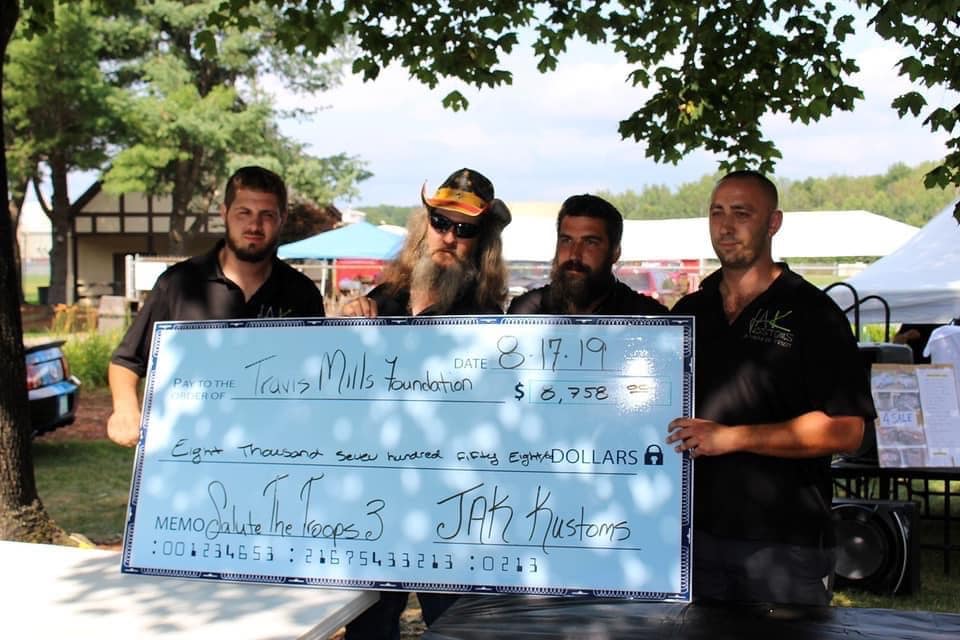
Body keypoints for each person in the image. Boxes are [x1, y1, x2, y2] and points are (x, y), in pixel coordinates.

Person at [666, 170, 876, 606]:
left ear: (773, 222)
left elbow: (847, 430)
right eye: (717, 212)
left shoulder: (813, 313)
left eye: (742, 213)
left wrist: (732, 438)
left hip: (784, 547)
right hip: (692, 540)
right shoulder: (690, 311)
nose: (726, 226)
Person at [339, 167, 510, 638]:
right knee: (367, 626)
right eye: (441, 222)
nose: (449, 237)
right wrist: (348, 324)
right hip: (373, 496)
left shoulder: (489, 321)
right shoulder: (381, 299)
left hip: (450, 500)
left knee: (456, 625)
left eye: (465, 229)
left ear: (481, 241)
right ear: (423, 225)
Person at [107, 166, 325, 447]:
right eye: (243, 213)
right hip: (188, 451)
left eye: (267, 215)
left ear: (282, 219)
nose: (254, 226)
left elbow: (318, 377)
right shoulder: (178, 284)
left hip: (274, 453)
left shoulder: (302, 293)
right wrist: (125, 409)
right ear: (224, 213)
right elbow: (127, 361)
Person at [507, 193, 667, 315]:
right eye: (566, 240)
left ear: (615, 252)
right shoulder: (527, 311)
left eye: (590, 242)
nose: (574, 255)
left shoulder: (646, 316)